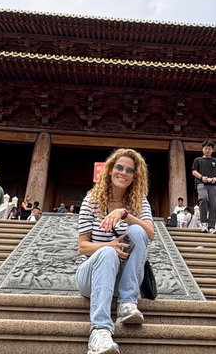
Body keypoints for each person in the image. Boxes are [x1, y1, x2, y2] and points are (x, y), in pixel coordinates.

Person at [76, 148, 154, 354]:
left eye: (130, 170)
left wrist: (125, 214)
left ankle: (127, 303)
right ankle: (100, 330)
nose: (123, 172)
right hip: (90, 277)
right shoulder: (91, 200)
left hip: (123, 279)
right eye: (119, 167)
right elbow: (82, 246)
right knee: (109, 253)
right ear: (110, 170)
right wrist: (107, 247)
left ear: (135, 176)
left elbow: (150, 233)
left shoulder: (139, 201)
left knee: (137, 230)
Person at [192, 140, 216, 234]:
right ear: (202, 149)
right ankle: (204, 223)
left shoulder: (215, 161)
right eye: (205, 149)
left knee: (213, 205)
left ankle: (211, 226)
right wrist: (202, 177)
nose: (207, 150)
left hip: (213, 185)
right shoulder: (198, 160)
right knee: (203, 198)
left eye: (209, 149)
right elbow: (194, 171)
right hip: (201, 183)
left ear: (212, 150)